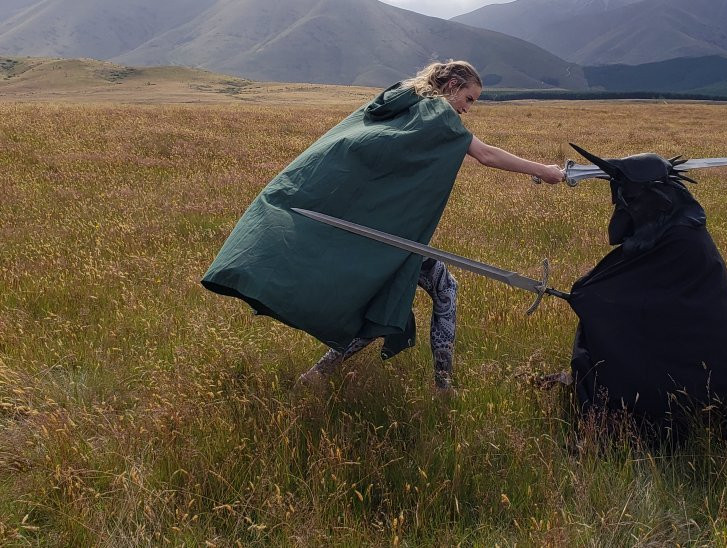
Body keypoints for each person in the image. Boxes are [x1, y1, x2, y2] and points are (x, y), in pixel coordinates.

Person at [201, 60, 564, 392]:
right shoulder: (437, 114)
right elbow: (485, 154)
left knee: (382, 301)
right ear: (452, 85)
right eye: (468, 99)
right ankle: (442, 386)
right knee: (438, 292)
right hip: (386, 236)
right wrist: (544, 171)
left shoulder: (399, 100)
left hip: (376, 230)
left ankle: (318, 376)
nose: (468, 109)